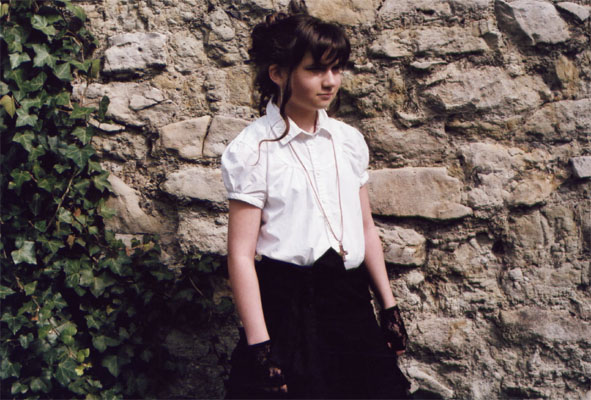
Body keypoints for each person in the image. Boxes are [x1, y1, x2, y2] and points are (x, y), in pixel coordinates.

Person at [221, 12, 411, 399]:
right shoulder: (253, 150)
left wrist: (388, 307)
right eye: (315, 70)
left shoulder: (348, 141)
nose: (330, 81)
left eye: (336, 69)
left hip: (349, 303)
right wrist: (260, 347)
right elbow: (240, 255)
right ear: (278, 73)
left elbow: (366, 228)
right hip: (288, 309)